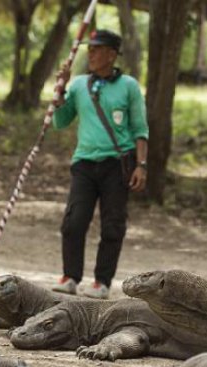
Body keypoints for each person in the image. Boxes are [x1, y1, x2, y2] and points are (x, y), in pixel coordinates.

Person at [51, 29, 148, 299]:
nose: (90, 54)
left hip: (117, 164)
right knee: (74, 221)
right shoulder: (80, 84)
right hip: (84, 162)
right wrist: (60, 91)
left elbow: (140, 128)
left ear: (112, 54)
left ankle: (102, 282)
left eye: (96, 49)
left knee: (112, 224)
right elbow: (60, 121)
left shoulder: (128, 85)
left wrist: (142, 165)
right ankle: (70, 276)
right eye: (89, 49)